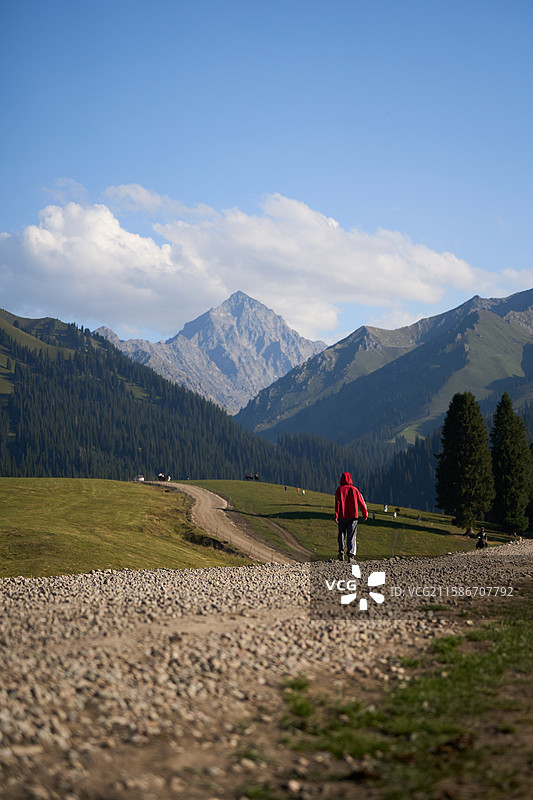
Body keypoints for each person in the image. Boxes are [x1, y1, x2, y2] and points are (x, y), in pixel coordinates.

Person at [335, 472, 368, 563]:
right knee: (351, 535)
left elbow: (337, 503)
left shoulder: (339, 490)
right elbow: (361, 502)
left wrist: (336, 515)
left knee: (341, 535)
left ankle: (341, 554)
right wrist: (364, 513)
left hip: (342, 516)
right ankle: (351, 555)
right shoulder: (355, 490)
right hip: (353, 516)